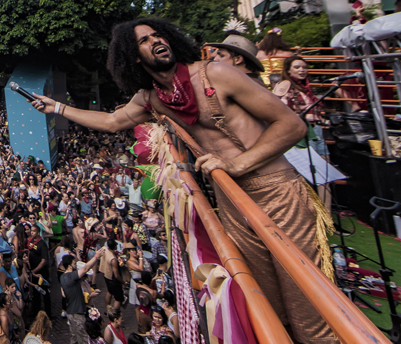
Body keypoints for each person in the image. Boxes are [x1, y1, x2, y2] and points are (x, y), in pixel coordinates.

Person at [32, 17, 333, 343]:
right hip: (232, 203)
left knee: (308, 311)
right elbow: (111, 121)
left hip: (276, 191)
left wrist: (235, 164)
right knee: (268, 308)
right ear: (133, 57)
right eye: (144, 41)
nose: (156, 41)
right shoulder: (152, 98)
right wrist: (58, 108)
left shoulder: (214, 73)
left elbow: (291, 126)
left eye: (158, 35)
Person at [60, 247, 106, 344]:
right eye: (74, 264)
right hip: (77, 313)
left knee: (74, 337)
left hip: (70, 312)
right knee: (83, 339)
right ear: (69, 266)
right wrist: (96, 256)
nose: (75, 266)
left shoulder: (62, 277)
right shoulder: (70, 276)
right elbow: (85, 268)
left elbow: (63, 294)